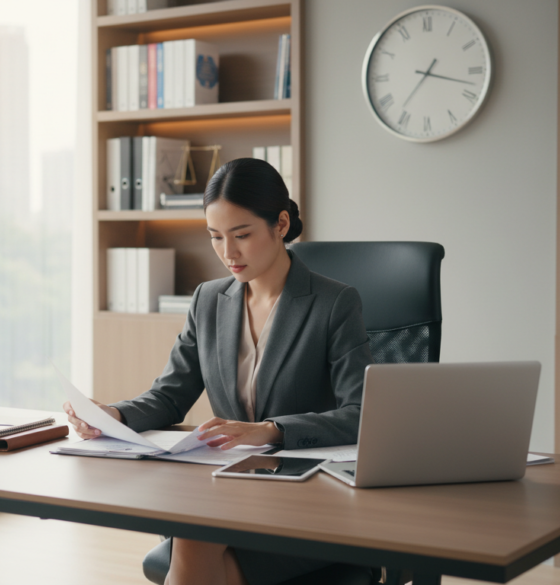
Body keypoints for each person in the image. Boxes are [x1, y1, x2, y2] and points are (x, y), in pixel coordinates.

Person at [63, 157, 373, 585]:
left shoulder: (333, 303)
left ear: (281, 224)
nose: (229, 253)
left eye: (242, 235)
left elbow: (361, 413)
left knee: (195, 535)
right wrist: (112, 416)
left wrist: (271, 429)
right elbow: (170, 396)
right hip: (230, 487)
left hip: (306, 496)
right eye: (215, 237)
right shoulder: (208, 300)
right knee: (201, 542)